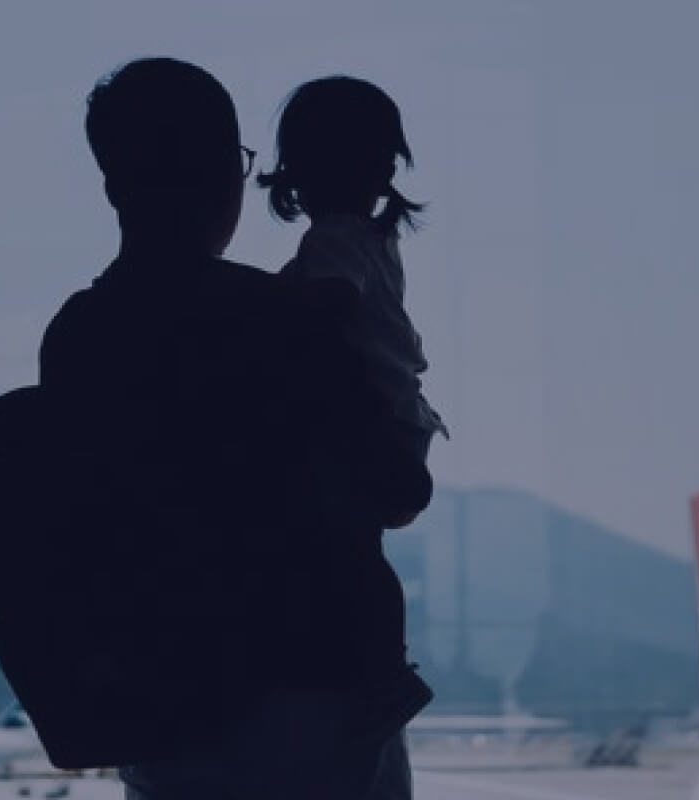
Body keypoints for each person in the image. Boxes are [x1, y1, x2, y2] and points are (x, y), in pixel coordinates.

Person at [36, 57, 433, 799]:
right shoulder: (286, 320)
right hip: (311, 701)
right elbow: (400, 489)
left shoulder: (79, 336)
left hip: (163, 711)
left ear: (113, 182)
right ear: (226, 171)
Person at [257, 75, 446, 463]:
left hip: (375, 415)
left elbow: (332, 302)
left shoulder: (332, 238)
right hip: (403, 411)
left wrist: (264, 304)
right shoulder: (378, 240)